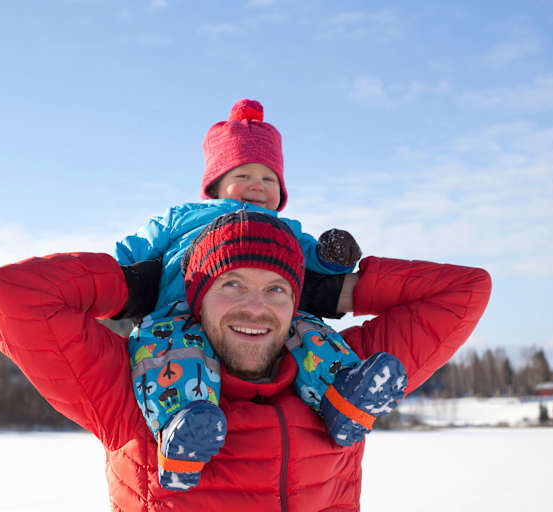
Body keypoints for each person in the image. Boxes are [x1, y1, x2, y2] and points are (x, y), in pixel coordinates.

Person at [0, 210, 492, 511]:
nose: (255, 306)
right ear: (195, 300)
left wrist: (340, 289)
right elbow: (12, 296)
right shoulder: (132, 388)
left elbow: (465, 291)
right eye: (231, 285)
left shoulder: (344, 374)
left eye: (275, 289)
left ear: (297, 304)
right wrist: (130, 285)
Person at [112, 98, 403, 489]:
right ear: (214, 184)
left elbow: (311, 259)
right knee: (170, 355)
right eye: (244, 174)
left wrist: (332, 256)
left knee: (309, 333)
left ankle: (342, 397)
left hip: (263, 314)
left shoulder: (284, 230)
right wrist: (114, 275)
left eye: (269, 179)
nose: (257, 185)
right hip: (178, 314)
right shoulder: (184, 216)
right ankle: (181, 434)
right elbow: (136, 248)